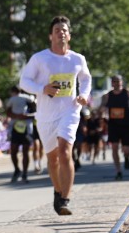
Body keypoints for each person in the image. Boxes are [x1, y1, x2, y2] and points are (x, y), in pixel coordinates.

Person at [19, 16, 91, 216]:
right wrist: (43, 88)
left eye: (64, 30)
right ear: (51, 36)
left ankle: (65, 199)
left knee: (65, 151)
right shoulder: (40, 58)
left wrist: (84, 95)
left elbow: (86, 79)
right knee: (52, 159)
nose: (61, 33)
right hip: (46, 115)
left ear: (70, 35)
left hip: (70, 110)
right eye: (57, 30)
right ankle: (58, 192)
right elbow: (24, 81)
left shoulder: (77, 59)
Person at [101, 74, 129, 180]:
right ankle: (118, 171)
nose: (116, 83)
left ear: (122, 82)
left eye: (118, 81)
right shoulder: (107, 95)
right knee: (114, 147)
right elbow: (102, 106)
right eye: (114, 81)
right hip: (114, 125)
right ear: (112, 83)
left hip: (127, 124)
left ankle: (127, 158)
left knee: (127, 150)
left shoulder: (128, 93)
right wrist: (102, 111)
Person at [6, 86, 36, 183]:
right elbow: (8, 112)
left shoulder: (29, 99)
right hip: (15, 127)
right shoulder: (12, 99)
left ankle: (24, 173)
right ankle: (17, 170)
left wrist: (26, 116)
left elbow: (36, 112)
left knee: (24, 151)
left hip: (26, 128)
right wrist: (17, 116)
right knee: (14, 150)